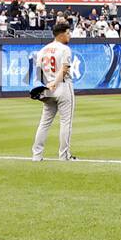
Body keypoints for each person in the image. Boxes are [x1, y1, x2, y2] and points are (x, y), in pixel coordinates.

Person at [32, 21, 76, 162]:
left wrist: (46, 86)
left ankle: (36, 155)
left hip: (47, 89)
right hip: (62, 86)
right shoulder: (64, 49)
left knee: (44, 122)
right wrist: (55, 83)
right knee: (65, 122)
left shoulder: (42, 50)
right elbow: (64, 69)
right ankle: (64, 156)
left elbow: (38, 74)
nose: (70, 35)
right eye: (68, 33)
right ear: (61, 34)